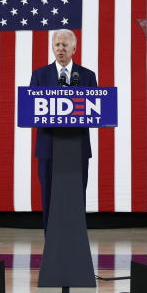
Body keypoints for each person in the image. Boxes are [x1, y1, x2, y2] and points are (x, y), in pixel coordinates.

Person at [29, 28, 98, 229]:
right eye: (57, 45)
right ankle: (51, 243)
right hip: (49, 147)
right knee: (49, 196)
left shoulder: (87, 76)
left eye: (64, 45)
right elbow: (31, 110)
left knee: (76, 197)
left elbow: (96, 110)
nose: (60, 49)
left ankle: (75, 241)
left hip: (77, 148)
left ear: (73, 48)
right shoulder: (39, 75)